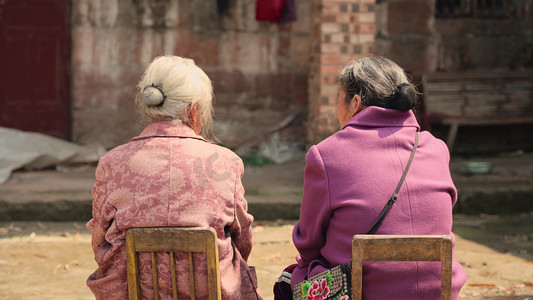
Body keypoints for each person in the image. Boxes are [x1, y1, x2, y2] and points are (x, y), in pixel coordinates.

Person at [288, 56, 467, 299]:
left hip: (362, 293)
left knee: (290, 280)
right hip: (437, 291)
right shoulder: (437, 149)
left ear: (355, 103)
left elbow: (308, 245)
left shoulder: (326, 155)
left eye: (338, 100)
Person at [87, 55, 262, 299]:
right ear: (193, 108)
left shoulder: (111, 164)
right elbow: (243, 242)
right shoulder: (226, 163)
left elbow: (99, 243)